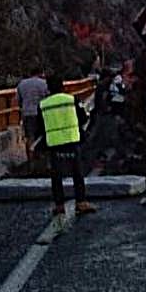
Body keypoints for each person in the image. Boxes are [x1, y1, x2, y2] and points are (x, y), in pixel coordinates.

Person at [39, 76, 97, 216]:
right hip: (72, 139)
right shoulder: (71, 100)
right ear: (63, 86)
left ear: (48, 88)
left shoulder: (43, 104)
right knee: (77, 172)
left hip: (54, 142)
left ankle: (59, 205)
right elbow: (83, 117)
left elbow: (40, 126)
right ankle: (81, 202)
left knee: (56, 175)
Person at [16, 66, 48, 161]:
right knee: (42, 135)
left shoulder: (22, 84)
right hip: (40, 113)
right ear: (40, 73)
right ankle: (41, 157)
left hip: (27, 113)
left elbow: (18, 100)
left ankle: (30, 157)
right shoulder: (43, 83)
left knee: (30, 136)